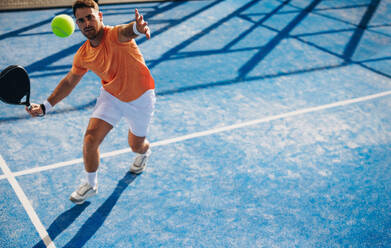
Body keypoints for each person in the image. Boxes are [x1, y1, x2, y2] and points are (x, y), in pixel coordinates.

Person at [26, 0, 155, 205]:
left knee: (136, 145)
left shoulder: (114, 35)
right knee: (90, 138)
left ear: (100, 17)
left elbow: (127, 31)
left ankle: (145, 152)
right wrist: (45, 106)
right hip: (112, 95)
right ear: (77, 24)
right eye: (81, 20)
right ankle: (90, 184)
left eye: (90, 17)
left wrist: (137, 29)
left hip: (140, 98)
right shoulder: (83, 54)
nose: (86, 23)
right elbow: (70, 81)